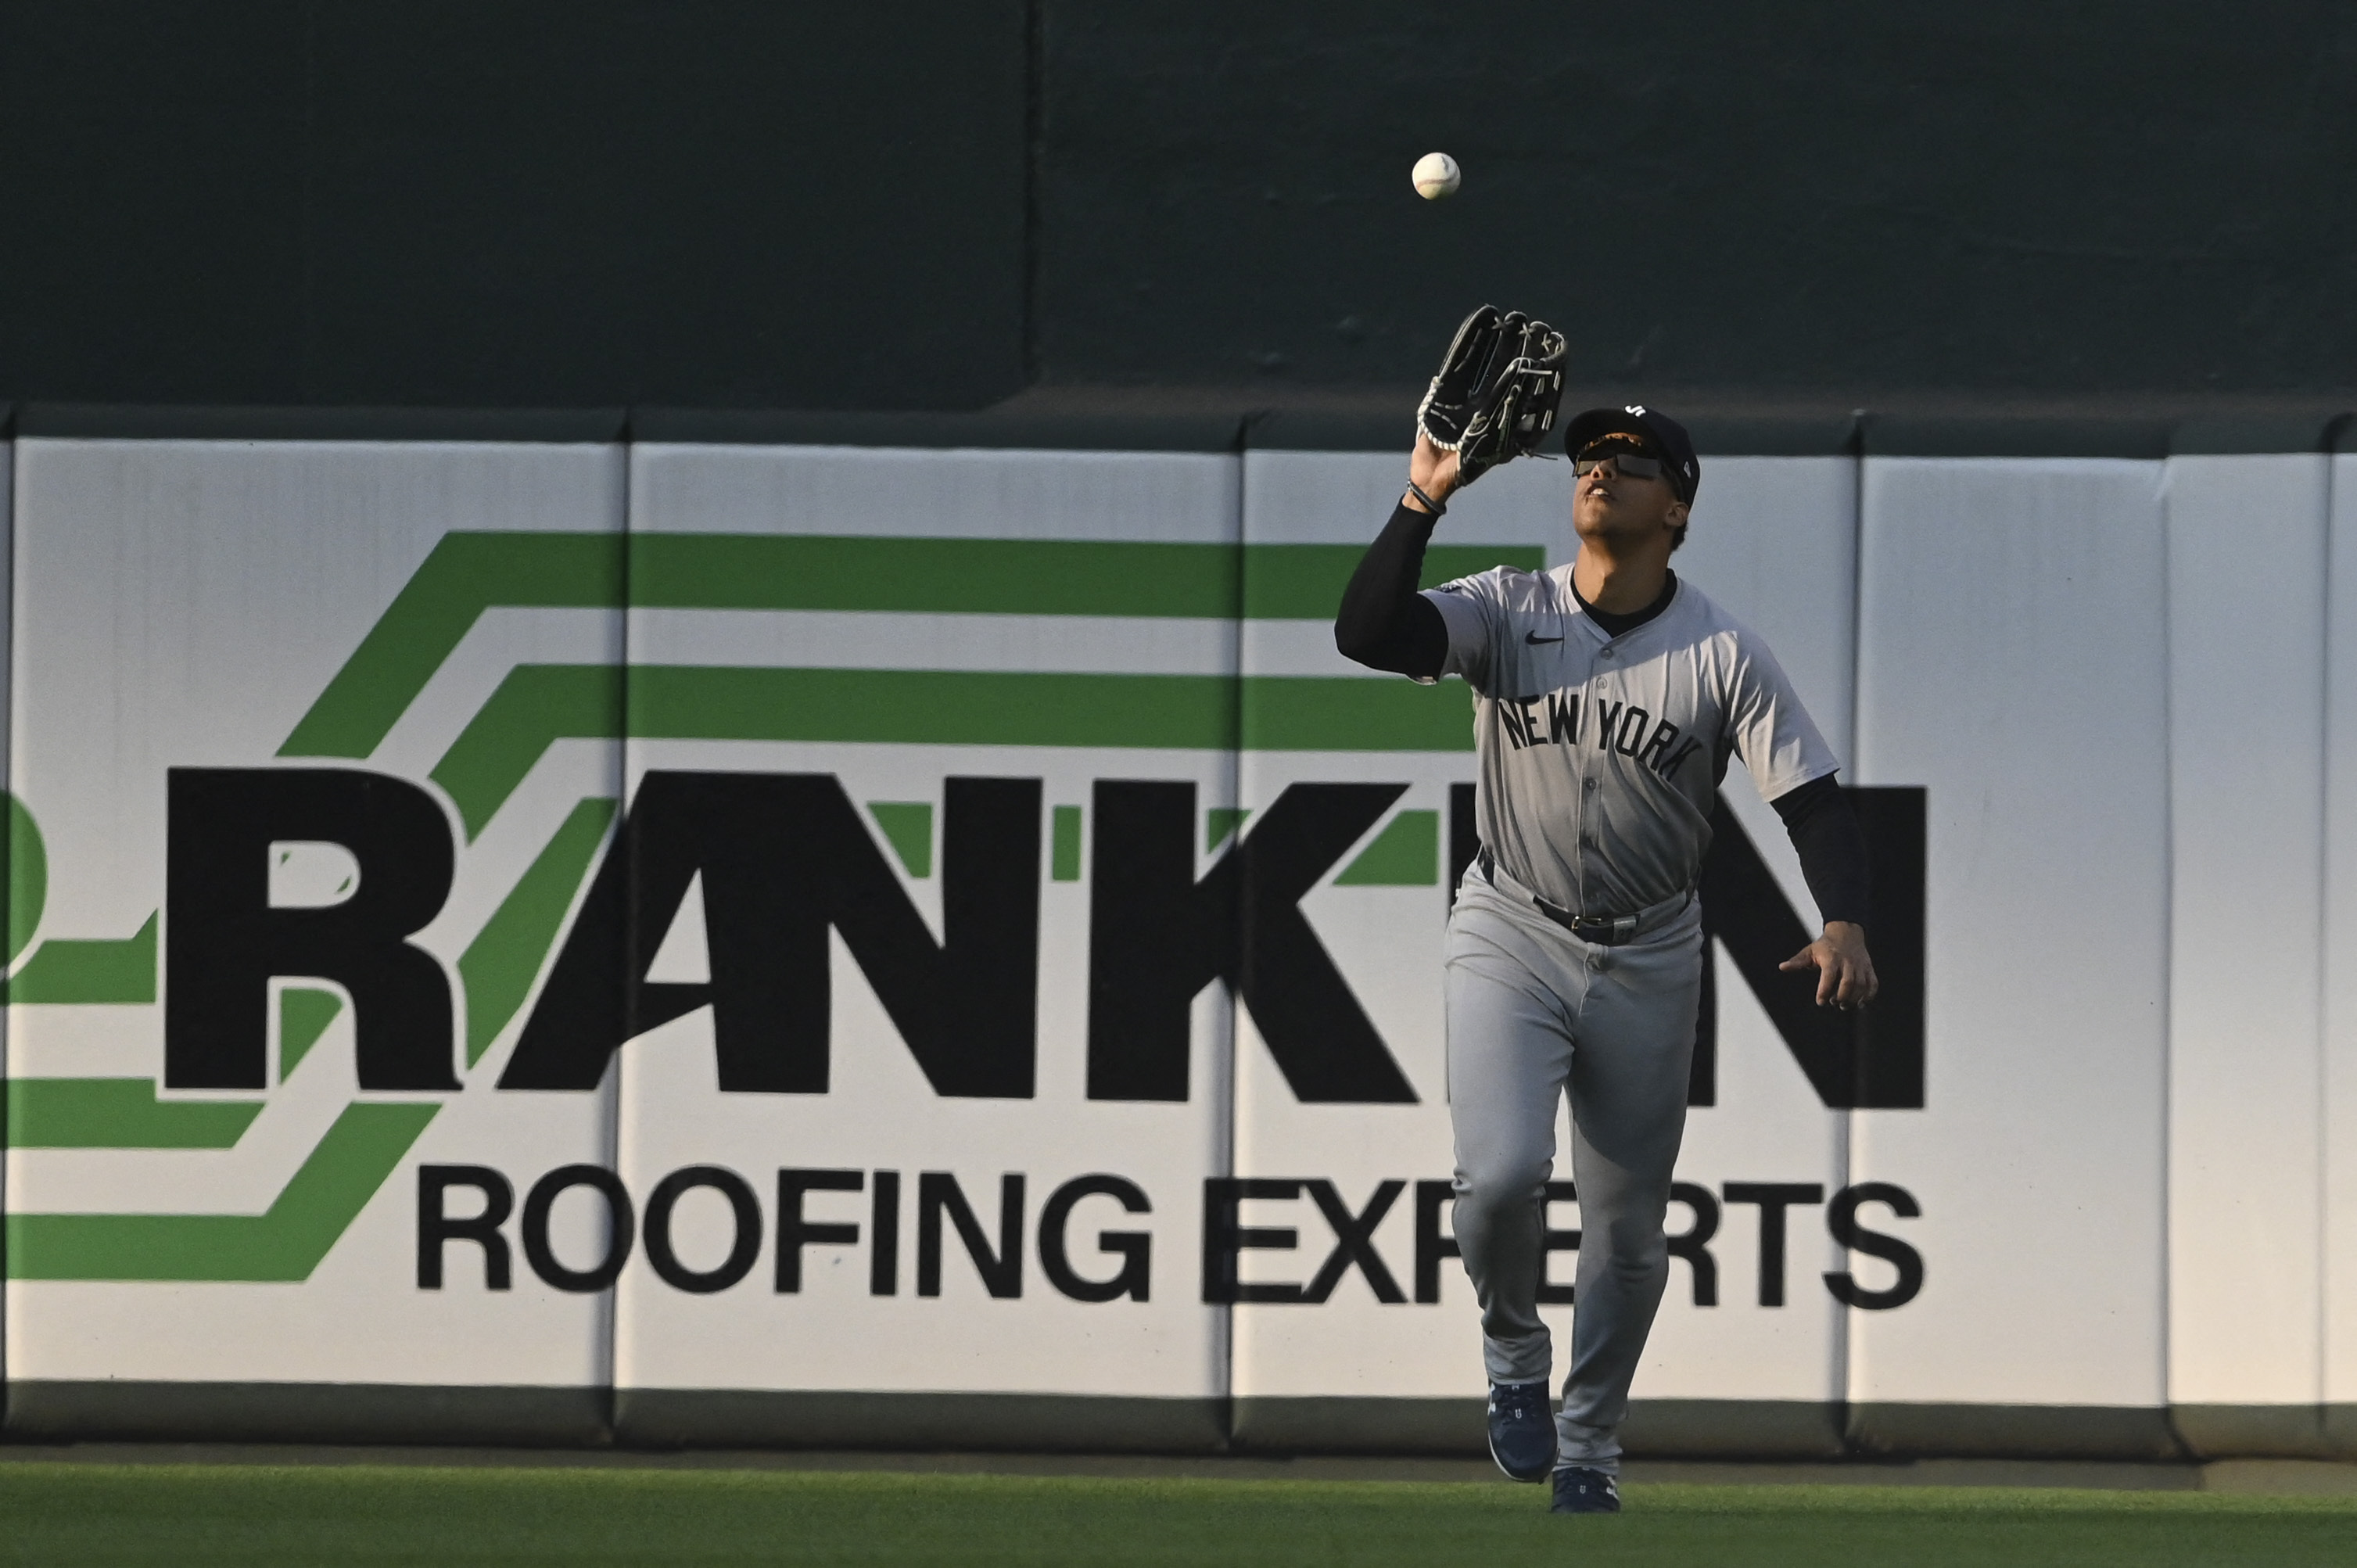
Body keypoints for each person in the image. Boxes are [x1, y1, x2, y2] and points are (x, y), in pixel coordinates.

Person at [1333, 404, 1878, 1514]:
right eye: (1589, 459)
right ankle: (1512, 1364)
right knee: (1493, 1179)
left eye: (1630, 464)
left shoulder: (1720, 651)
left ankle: (1588, 1445)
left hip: (1650, 951)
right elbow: (1367, 633)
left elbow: (1812, 800)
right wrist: (1420, 498)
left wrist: (1844, 921)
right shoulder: (1506, 606)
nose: (1601, 472)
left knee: (1627, 1235)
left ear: (1674, 508)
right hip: (1510, 924)